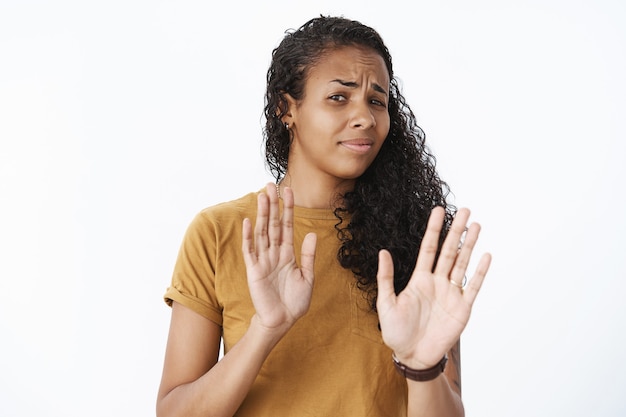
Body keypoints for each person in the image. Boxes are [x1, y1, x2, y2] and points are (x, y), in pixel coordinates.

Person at [156, 15, 491, 417]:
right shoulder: (220, 232)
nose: (365, 117)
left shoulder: (416, 244)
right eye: (339, 97)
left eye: (377, 101)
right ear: (286, 108)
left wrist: (421, 367)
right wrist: (266, 329)